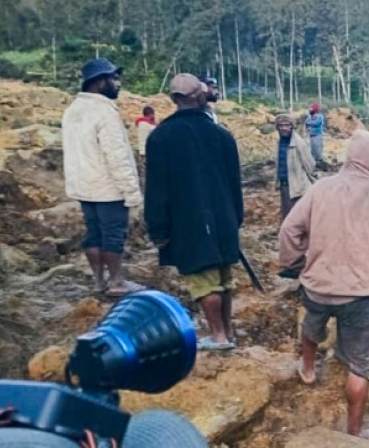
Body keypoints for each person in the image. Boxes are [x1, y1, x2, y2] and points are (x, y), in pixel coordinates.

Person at [279, 130, 369, 437]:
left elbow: (289, 230)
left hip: (317, 287)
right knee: (359, 364)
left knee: (311, 326)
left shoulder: (320, 188)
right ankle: (353, 434)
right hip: (360, 297)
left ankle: (308, 369)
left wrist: (294, 263)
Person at [145, 74, 244, 351]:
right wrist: (236, 217)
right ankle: (226, 332)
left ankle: (219, 336)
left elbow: (156, 188)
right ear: (200, 97)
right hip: (224, 218)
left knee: (203, 280)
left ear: (174, 99)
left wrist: (158, 228)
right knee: (223, 278)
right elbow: (235, 183)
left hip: (188, 221)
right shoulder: (222, 135)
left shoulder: (160, 137)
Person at [62, 58, 144, 297]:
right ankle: (117, 282)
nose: (118, 84)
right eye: (114, 79)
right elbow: (116, 156)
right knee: (113, 236)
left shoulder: (72, 110)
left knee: (94, 234)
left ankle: (99, 282)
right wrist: (131, 191)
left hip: (84, 186)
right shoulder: (104, 111)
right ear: (99, 82)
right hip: (108, 188)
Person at [275, 114, 315, 220]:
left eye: (287, 125)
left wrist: (310, 181)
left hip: (297, 187)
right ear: (277, 128)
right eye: (281, 126)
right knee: (287, 216)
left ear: (292, 126)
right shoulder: (279, 142)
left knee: (299, 218)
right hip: (284, 185)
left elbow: (310, 164)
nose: (284, 128)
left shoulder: (299, 143)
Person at [135, 106, 157, 185]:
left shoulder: (141, 123)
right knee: (149, 172)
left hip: (142, 151)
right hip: (148, 152)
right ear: (151, 114)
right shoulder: (147, 125)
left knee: (144, 173)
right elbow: (157, 131)